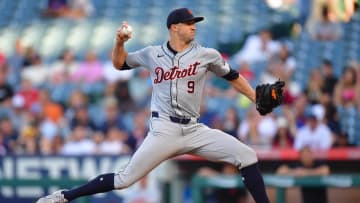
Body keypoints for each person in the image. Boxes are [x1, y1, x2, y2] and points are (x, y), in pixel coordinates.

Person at [36, 8, 280, 203]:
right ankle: (64, 197)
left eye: (195, 22)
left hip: (195, 130)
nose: (194, 26)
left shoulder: (208, 55)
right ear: (174, 27)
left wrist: (255, 99)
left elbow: (233, 77)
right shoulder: (152, 53)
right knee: (124, 179)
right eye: (189, 23)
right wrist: (119, 43)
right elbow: (119, 64)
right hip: (164, 129)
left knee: (246, 155)